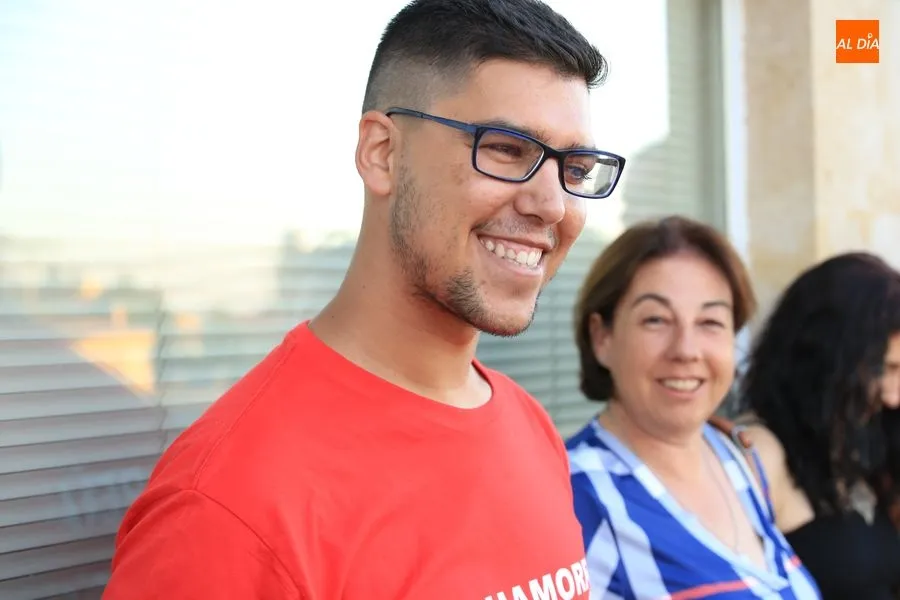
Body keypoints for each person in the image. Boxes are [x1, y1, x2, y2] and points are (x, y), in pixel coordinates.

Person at [103, 1, 625, 598]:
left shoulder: (528, 426)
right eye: (507, 149)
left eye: (574, 168)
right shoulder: (227, 507)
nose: (553, 205)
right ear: (383, 153)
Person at [565, 216, 821, 599]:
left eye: (710, 322)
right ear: (602, 337)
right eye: (656, 320)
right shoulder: (576, 497)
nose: (686, 350)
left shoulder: (738, 460)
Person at [738, 252, 900, 600]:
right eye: (883, 369)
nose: (892, 396)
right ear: (825, 360)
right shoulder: (757, 452)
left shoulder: (859, 440)